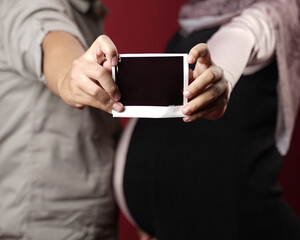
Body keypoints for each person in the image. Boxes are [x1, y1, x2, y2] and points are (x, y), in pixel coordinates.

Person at [113, 0, 300, 239]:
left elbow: (243, 35)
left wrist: (219, 75)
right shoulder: (192, 22)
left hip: (230, 221)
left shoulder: (272, 15)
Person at [0, 0, 124, 239]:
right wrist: (70, 75)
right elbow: (52, 41)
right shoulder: (31, 5)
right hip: (43, 228)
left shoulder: (87, 11)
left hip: (86, 222)